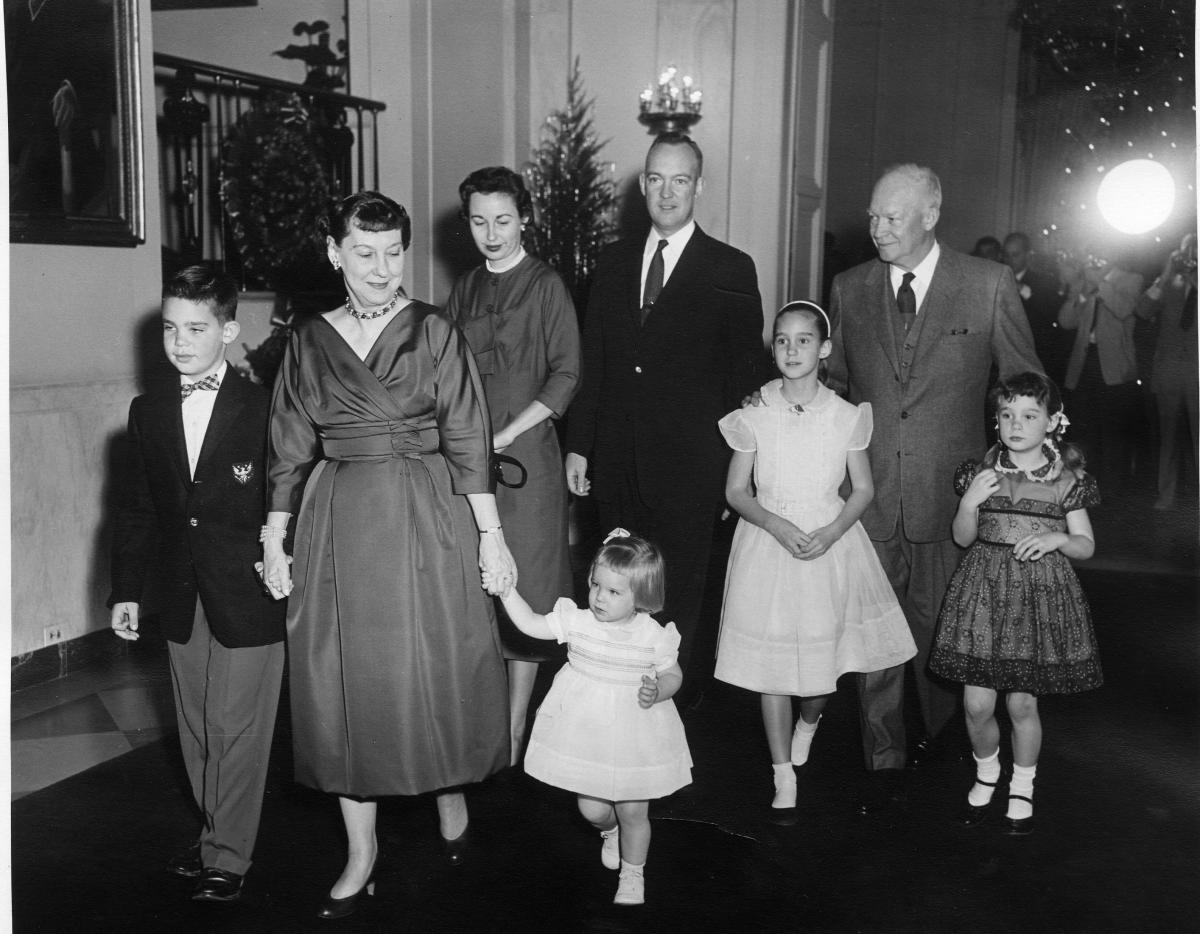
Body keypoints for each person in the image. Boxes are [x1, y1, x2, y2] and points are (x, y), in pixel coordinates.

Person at [260, 192, 514, 920]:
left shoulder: (434, 330)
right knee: (344, 680)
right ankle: (361, 848)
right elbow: (286, 447)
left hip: (427, 510)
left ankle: (449, 785)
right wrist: (274, 539)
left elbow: (469, 437)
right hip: (338, 515)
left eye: (393, 253)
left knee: (434, 662)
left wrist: (491, 538)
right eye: (363, 253)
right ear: (335, 253)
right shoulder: (308, 340)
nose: (380, 268)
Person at [827, 163, 1041, 813]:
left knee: (942, 630)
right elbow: (834, 386)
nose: (877, 228)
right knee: (873, 631)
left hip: (954, 502)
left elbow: (1024, 385)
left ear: (930, 214)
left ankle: (949, 742)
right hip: (867, 496)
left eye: (892, 217)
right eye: (871, 217)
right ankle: (883, 753)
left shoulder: (988, 285)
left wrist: (1013, 483)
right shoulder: (849, 287)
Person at [565, 132, 764, 704]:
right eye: (656, 179)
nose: (667, 191)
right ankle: (613, 702)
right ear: (643, 184)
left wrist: (737, 475)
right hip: (618, 463)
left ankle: (675, 709)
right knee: (616, 589)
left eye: (680, 180)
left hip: (691, 470)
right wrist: (580, 445)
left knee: (679, 597)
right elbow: (596, 360)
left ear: (698, 187)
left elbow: (741, 382)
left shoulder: (730, 267)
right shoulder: (612, 260)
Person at [108, 265, 286, 903]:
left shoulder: (266, 408)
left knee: (237, 725)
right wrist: (127, 588)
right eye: (169, 328)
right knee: (196, 728)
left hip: (250, 591)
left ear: (230, 331)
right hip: (181, 592)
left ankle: (229, 856)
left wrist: (280, 555)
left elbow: (289, 499)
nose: (180, 342)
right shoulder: (148, 411)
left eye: (196, 328)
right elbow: (136, 508)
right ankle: (216, 833)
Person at [715, 301, 916, 815]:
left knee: (819, 669)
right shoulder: (755, 411)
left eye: (804, 340)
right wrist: (776, 525)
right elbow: (737, 491)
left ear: (824, 349)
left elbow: (864, 489)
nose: (792, 350)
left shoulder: (847, 416)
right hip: (769, 541)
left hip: (829, 543)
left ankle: (810, 721)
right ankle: (782, 772)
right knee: (773, 667)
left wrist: (830, 532)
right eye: (782, 340)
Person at [445, 166, 581, 765]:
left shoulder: (547, 284)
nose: (492, 233)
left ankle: (516, 724)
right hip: (471, 465)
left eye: (503, 220)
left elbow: (567, 375)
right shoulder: (467, 288)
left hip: (528, 464)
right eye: (479, 221)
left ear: (523, 218)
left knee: (526, 584)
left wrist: (505, 434)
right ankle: (484, 717)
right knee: (475, 586)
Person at [930, 372, 1102, 836]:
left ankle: (1022, 782)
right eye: (1006, 415)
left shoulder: (1066, 481)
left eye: (1029, 415)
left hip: (1037, 597)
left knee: (1022, 704)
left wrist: (1056, 537)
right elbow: (962, 537)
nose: (1016, 424)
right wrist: (968, 503)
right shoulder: (980, 474)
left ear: (1052, 422)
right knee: (977, 705)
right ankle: (987, 771)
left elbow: (1085, 545)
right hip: (983, 594)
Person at [489, 530, 691, 907]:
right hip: (586, 731)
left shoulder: (652, 635)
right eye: (596, 585)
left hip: (635, 732)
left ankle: (633, 874)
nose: (599, 596)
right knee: (592, 808)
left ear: (641, 596)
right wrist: (506, 592)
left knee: (634, 810)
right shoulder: (578, 622)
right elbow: (531, 624)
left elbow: (673, 674)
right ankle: (609, 831)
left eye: (614, 592)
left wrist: (659, 690)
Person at [1057, 248, 1144, 495]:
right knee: (1085, 430)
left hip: (1114, 367)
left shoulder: (1131, 279)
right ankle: (1086, 485)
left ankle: (1114, 491)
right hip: (1085, 365)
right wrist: (1083, 292)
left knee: (1113, 433)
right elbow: (1065, 320)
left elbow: (1124, 309)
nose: (1095, 260)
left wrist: (1102, 284)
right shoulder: (1086, 282)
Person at [1135, 232, 1198, 510]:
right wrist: (1165, 273)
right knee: (1168, 439)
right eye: (1188, 251)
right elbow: (1143, 309)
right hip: (1169, 370)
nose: (1191, 257)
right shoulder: (1170, 281)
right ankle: (1166, 496)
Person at [1004, 232, 1067, 381]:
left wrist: (1022, 289)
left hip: (1035, 355)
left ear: (1027, 255)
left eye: (1015, 255)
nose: (1009, 260)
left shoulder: (1044, 281)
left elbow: (1050, 313)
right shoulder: (996, 279)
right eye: (1006, 255)